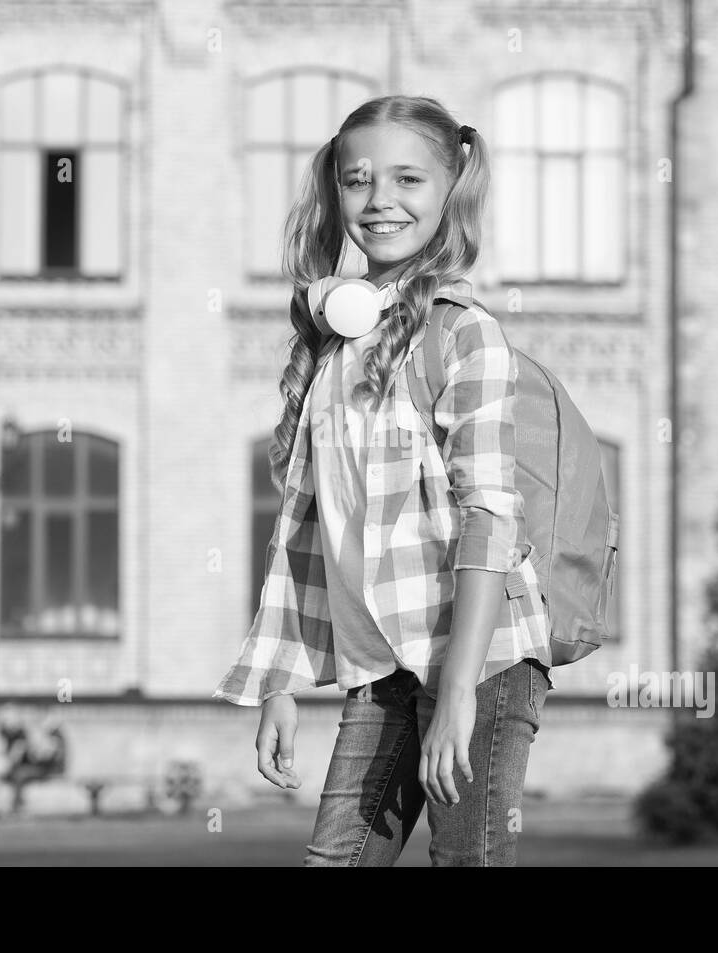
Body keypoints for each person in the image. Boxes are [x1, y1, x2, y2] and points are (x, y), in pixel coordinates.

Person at [213, 96, 554, 866]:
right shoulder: (334, 350)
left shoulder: (464, 334)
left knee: (465, 861)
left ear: (449, 190)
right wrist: (278, 683)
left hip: (483, 660)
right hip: (383, 670)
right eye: (357, 180)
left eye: (408, 180)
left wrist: (459, 693)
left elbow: (491, 516)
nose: (380, 201)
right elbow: (308, 525)